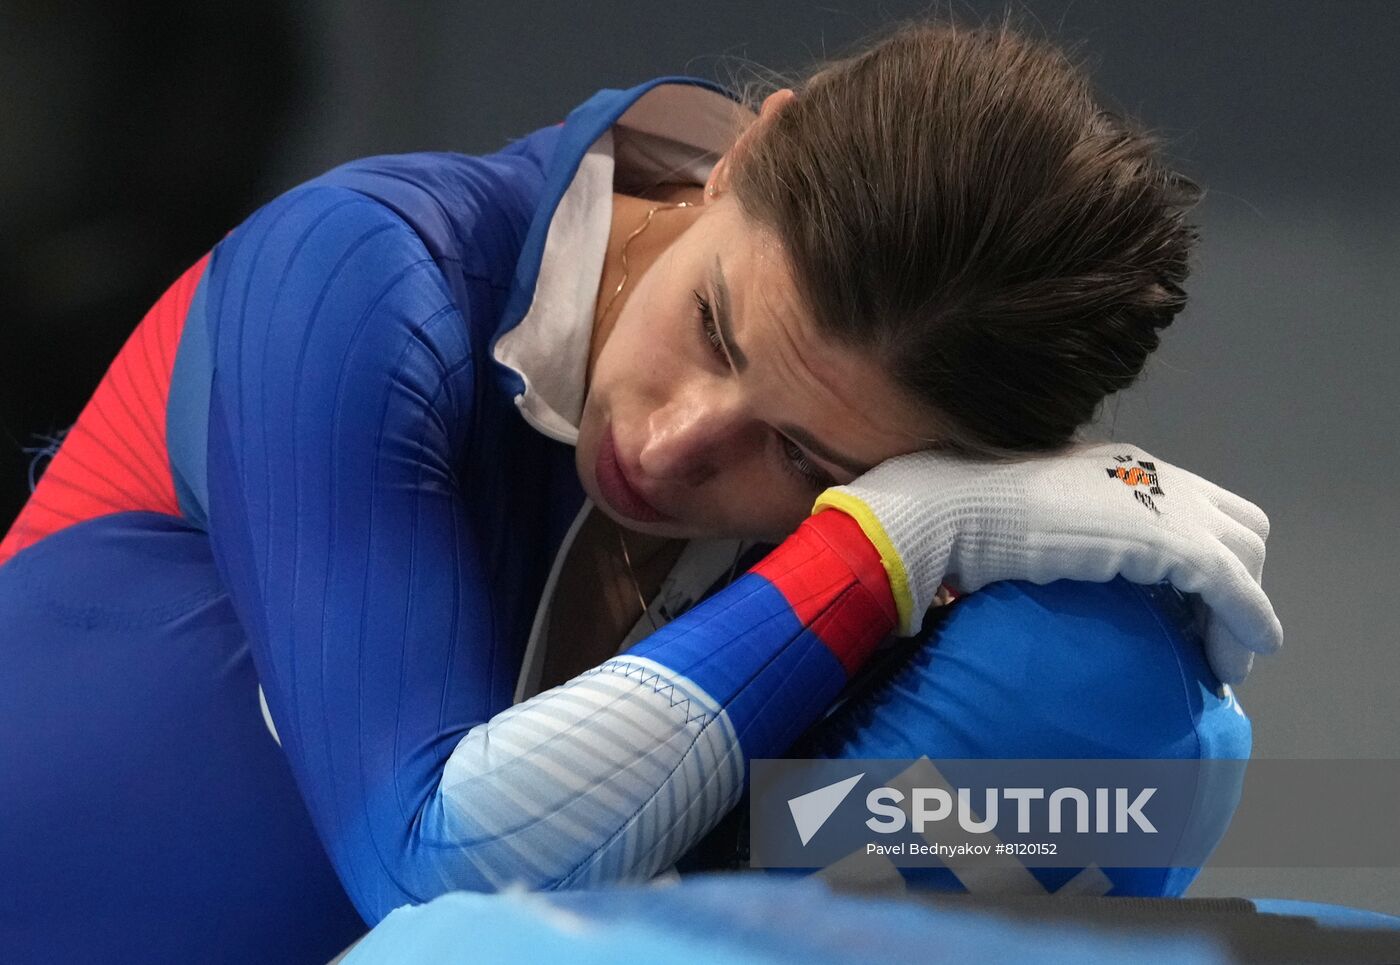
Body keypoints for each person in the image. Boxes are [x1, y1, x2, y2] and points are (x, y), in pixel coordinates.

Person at [0, 18, 1279, 964]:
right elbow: (428, 865)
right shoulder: (361, 271)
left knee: (1113, 682)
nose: (670, 447)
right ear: (742, 154)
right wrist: (886, 536)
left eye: (804, 456)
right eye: (717, 327)